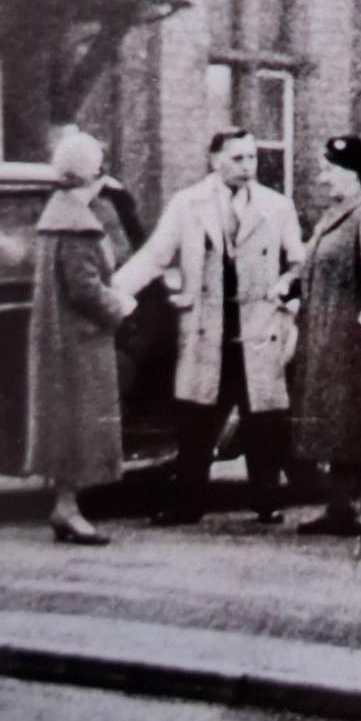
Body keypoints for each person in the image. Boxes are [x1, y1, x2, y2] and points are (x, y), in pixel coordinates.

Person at [113, 129, 304, 526]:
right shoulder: (188, 205)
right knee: (197, 419)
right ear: (214, 160)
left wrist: (286, 290)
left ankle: (266, 501)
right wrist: (115, 295)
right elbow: (154, 256)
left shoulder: (277, 207)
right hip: (207, 330)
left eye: (252, 158)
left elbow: (298, 263)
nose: (247, 167)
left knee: (263, 418)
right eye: (237, 159)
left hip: (257, 329)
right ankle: (188, 503)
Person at [288, 135, 361, 538]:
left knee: (354, 422)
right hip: (328, 335)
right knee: (341, 424)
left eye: (329, 169)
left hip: (354, 341)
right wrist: (287, 284)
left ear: (352, 172)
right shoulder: (337, 213)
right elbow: (314, 264)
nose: (322, 178)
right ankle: (347, 506)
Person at [26, 129, 138, 546]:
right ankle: (68, 509)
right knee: (78, 425)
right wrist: (120, 305)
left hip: (61, 340)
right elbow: (85, 288)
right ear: (89, 174)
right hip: (80, 343)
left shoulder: (57, 217)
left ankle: (66, 506)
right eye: (100, 169)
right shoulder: (77, 226)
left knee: (65, 423)